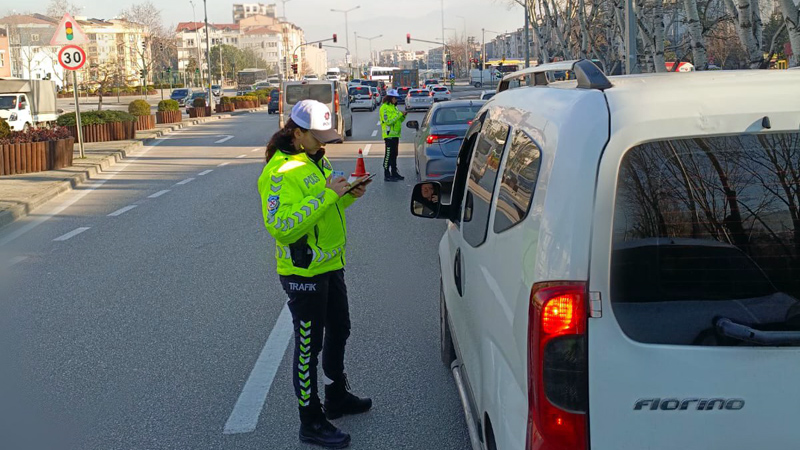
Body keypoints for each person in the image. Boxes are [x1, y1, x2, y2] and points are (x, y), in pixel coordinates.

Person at [257, 99, 373, 449]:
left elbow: (325, 207)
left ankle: (336, 394)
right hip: (302, 271)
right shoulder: (279, 173)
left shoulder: (311, 160)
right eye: (317, 136)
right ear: (297, 133)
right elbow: (281, 226)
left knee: (341, 329)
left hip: (329, 264)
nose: (324, 142)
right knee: (309, 346)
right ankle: (311, 421)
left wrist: (348, 194)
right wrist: (326, 195)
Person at [379, 89, 406, 182]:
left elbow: (399, 121)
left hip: (396, 135)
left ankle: (394, 173)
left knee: (395, 154)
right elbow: (388, 121)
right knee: (388, 155)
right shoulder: (384, 108)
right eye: (395, 98)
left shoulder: (394, 107)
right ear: (390, 98)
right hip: (389, 135)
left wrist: (403, 116)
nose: (396, 100)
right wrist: (399, 115)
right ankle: (387, 174)